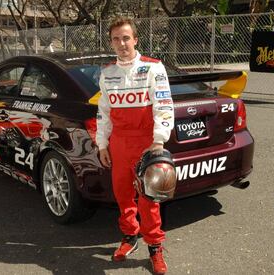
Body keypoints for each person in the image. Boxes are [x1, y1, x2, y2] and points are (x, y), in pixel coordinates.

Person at [96, 17, 174, 274]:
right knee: (122, 194)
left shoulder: (153, 68)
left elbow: (163, 105)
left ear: (136, 39)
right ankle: (130, 237)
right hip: (118, 142)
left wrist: (159, 140)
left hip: (146, 143)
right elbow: (104, 113)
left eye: (126, 38)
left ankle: (155, 247)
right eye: (116, 39)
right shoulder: (107, 73)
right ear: (111, 42)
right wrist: (102, 144)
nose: (121, 43)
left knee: (148, 198)